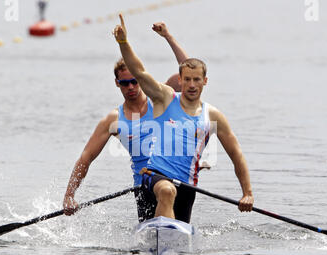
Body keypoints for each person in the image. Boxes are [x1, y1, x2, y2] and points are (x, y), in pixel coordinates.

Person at [113, 14, 254, 223]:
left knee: (179, 225)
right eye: (187, 79)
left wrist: (247, 192)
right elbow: (140, 72)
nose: (191, 84)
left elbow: (236, 154)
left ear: (205, 81)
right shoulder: (164, 99)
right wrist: (124, 43)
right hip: (155, 177)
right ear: (180, 80)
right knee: (167, 192)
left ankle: (168, 242)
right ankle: (162, 238)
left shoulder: (212, 116)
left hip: (187, 186)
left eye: (197, 79)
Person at [63, 22, 189, 221]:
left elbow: (190, 72)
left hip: (175, 179)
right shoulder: (113, 120)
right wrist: (69, 195)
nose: (130, 87)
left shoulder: (160, 98)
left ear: (141, 79)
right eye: (124, 83)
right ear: (117, 83)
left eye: (134, 81)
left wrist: (168, 36)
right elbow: (86, 158)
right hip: (144, 186)